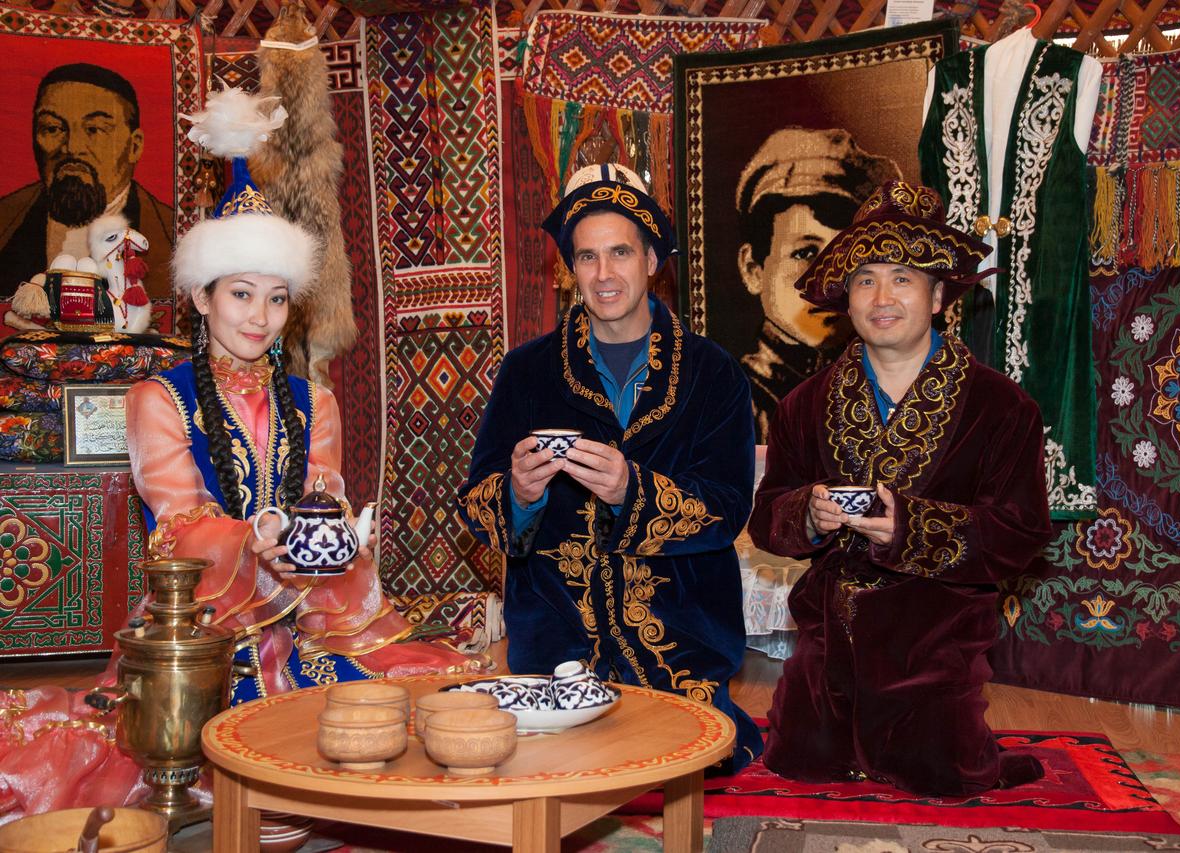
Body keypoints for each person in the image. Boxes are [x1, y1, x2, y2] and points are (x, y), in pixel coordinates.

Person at [0, 89, 479, 825]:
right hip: (202, 622)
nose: (260, 317)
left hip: (314, 616)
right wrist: (249, 541)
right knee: (121, 749)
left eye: (279, 299)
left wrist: (333, 540)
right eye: (242, 294)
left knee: (436, 701)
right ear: (199, 295)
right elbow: (177, 523)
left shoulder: (313, 401)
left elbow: (323, 499)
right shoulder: (160, 398)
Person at [748, 180, 1052, 796]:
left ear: (939, 296)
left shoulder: (1002, 407)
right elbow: (764, 518)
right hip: (828, 644)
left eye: (903, 280)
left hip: (934, 646)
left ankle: (966, 744)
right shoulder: (804, 406)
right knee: (795, 768)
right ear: (846, 297)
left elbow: (1021, 536)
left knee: (942, 781)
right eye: (865, 280)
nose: (882, 297)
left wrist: (913, 528)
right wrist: (805, 513)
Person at [458, 163, 763, 771]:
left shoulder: (712, 371)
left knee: (684, 758)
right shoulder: (527, 371)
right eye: (587, 257)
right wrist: (518, 494)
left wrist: (633, 490)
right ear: (569, 269)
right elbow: (476, 506)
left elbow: (728, 509)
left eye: (620, 252)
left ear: (652, 261)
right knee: (548, 764)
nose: (604, 274)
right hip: (556, 638)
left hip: (681, 637)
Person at [734, 127, 899, 441]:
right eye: (806, 252)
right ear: (754, 269)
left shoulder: (897, 396)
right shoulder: (730, 404)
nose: (830, 278)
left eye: (849, 255)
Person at [0, 63, 174, 300]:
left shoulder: (171, 235)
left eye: (95, 129)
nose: (73, 148)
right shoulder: (6, 220)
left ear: (134, 146)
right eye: (52, 128)